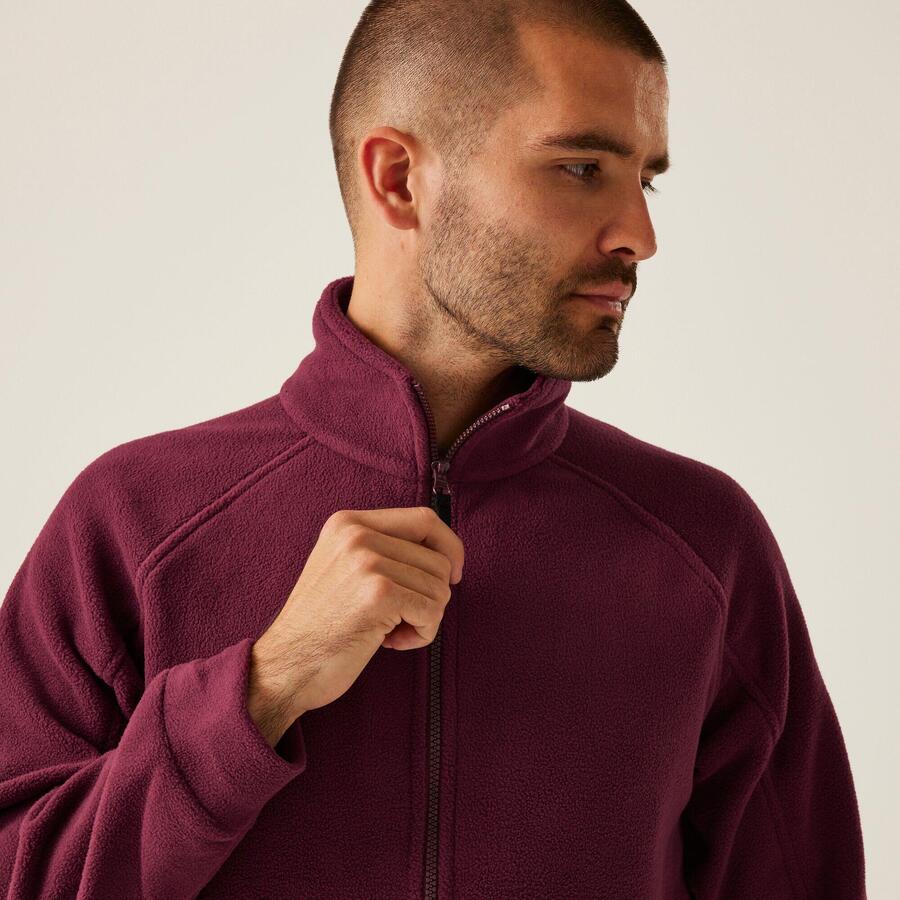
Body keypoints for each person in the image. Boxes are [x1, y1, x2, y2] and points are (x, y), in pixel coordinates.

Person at [0, 2, 866, 898]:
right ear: (400, 179)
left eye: (646, 180)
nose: (638, 236)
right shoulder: (134, 522)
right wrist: (267, 686)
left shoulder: (705, 546)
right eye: (581, 167)